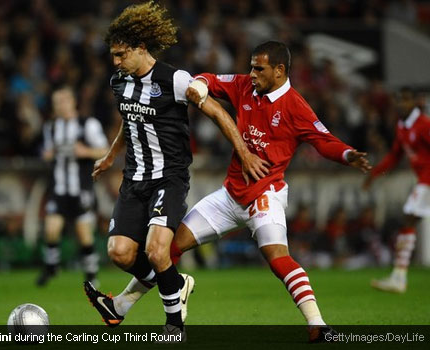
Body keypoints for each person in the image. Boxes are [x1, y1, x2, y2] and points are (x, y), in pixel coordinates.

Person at [89, 41, 371, 343]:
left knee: (277, 259)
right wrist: (198, 84)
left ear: (279, 71)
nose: (251, 74)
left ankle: (318, 324)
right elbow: (211, 79)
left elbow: (323, 139)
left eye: (258, 68)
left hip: (265, 195)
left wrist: (347, 155)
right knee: (163, 252)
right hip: (229, 197)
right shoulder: (244, 87)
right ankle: (120, 304)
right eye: (250, 66)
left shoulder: (295, 107)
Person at [83, 1, 268, 338]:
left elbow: (218, 114)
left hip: (169, 178)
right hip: (133, 178)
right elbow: (130, 120)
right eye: (113, 55)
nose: (116, 61)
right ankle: (175, 283)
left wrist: (243, 152)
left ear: (141, 49)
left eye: (121, 54)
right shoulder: (118, 82)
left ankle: (174, 326)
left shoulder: (176, 79)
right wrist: (111, 156)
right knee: (119, 253)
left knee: (156, 251)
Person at [36, 86, 109, 286]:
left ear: (72, 102)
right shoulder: (51, 127)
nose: (59, 106)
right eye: (56, 103)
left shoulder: (88, 124)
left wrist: (85, 151)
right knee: (51, 229)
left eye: (62, 101)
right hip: (58, 188)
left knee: (84, 235)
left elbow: (104, 149)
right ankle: (51, 268)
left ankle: (91, 274)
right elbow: (47, 151)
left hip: (81, 188)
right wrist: (47, 155)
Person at [365, 87, 430, 293]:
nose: (402, 104)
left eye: (406, 100)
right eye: (399, 100)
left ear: (415, 103)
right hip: (424, 181)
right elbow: (395, 155)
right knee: (409, 218)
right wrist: (374, 174)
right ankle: (398, 276)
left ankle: (399, 277)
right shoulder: (402, 126)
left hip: (427, 180)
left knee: (409, 216)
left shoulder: (424, 125)